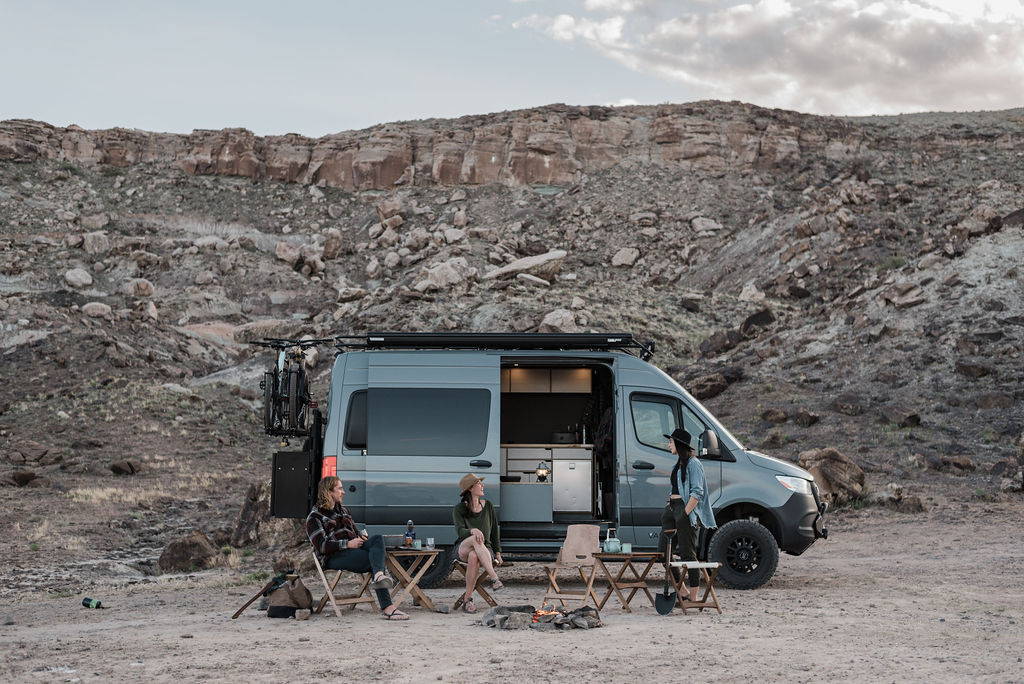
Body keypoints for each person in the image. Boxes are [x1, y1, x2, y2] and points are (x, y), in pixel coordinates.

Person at [305, 476, 409, 620]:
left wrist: (361, 538)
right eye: (340, 489)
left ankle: (379, 576)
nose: (344, 492)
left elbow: (355, 532)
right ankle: (387, 607)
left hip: (354, 548)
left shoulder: (344, 511)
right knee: (374, 559)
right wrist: (347, 544)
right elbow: (322, 546)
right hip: (334, 556)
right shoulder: (314, 517)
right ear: (328, 492)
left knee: (377, 539)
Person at [660, 427, 718, 601]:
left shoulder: (694, 464)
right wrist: (670, 501)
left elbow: (697, 493)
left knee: (687, 553)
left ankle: (693, 597)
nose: (668, 444)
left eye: (671, 441)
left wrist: (684, 514)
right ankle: (682, 591)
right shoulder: (678, 463)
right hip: (671, 509)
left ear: (678, 444)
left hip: (685, 511)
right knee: (664, 552)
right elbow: (677, 486)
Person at [453, 473, 503, 613]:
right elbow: (459, 531)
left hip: (485, 550)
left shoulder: (488, 506)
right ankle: (494, 578)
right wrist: (472, 530)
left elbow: (494, 531)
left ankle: (467, 600)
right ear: (470, 488)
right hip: (464, 546)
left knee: (474, 556)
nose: (482, 486)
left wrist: (498, 552)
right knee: (475, 540)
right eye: (479, 483)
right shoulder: (459, 509)